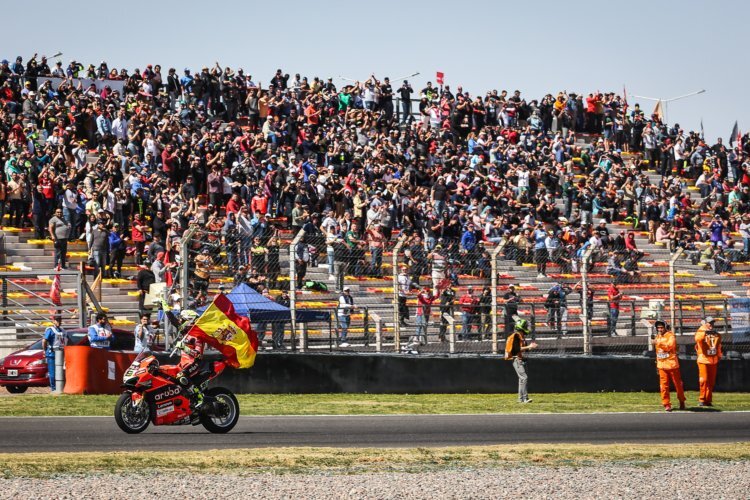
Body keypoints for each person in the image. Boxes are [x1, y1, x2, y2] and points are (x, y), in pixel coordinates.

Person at [172, 310, 206, 408]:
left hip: (195, 363)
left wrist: (184, 348)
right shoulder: (184, 332)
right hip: (183, 363)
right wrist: (163, 303)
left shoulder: (198, 336)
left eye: (182, 320)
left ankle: (199, 397)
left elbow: (198, 355)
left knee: (181, 376)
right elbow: (173, 321)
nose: (180, 321)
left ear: (189, 321)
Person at [653, 320, 686, 412]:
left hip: (672, 365)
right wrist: (657, 364)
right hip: (661, 366)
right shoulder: (657, 337)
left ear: (665, 327)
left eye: (661, 327)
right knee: (663, 386)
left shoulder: (671, 336)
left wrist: (658, 343)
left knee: (678, 385)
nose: (659, 329)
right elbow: (657, 352)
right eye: (658, 327)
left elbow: (670, 346)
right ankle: (666, 404)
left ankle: (682, 401)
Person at [504, 318, 538, 403]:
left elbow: (522, 349)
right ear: (521, 327)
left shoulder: (520, 336)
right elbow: (516, 349)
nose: (527, 327)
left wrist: (530, 347)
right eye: (525, 326)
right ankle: (524, 398)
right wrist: (529, 347)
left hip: (519, 359)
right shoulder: (516, 335)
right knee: (524, 378)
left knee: (521, 379)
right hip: (516, 359)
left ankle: (521, 399)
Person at [695, 316, 722, 407]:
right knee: (704, 380)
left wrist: (719, 355)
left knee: (711, 382)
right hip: (703, 360)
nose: (711, 324)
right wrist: (705, 333)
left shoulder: (714, 333)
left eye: (713, 323)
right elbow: (698, 339)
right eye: (710, 323)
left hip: (713, 361)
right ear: (705, 323)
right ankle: (702, 399)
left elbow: (718, 345)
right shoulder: (700, 331)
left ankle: (708, 400)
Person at [42, 315, 65, 391]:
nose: (59, 322)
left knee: (61, 371)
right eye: (57, 320)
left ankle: (61, 387)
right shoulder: (50, 330)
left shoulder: (62, 330)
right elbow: (44, 341)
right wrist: (45, 350)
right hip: (52, 353)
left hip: (61, 353)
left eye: (60, 320)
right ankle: (53, 388)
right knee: (52, 372)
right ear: (53, 321)